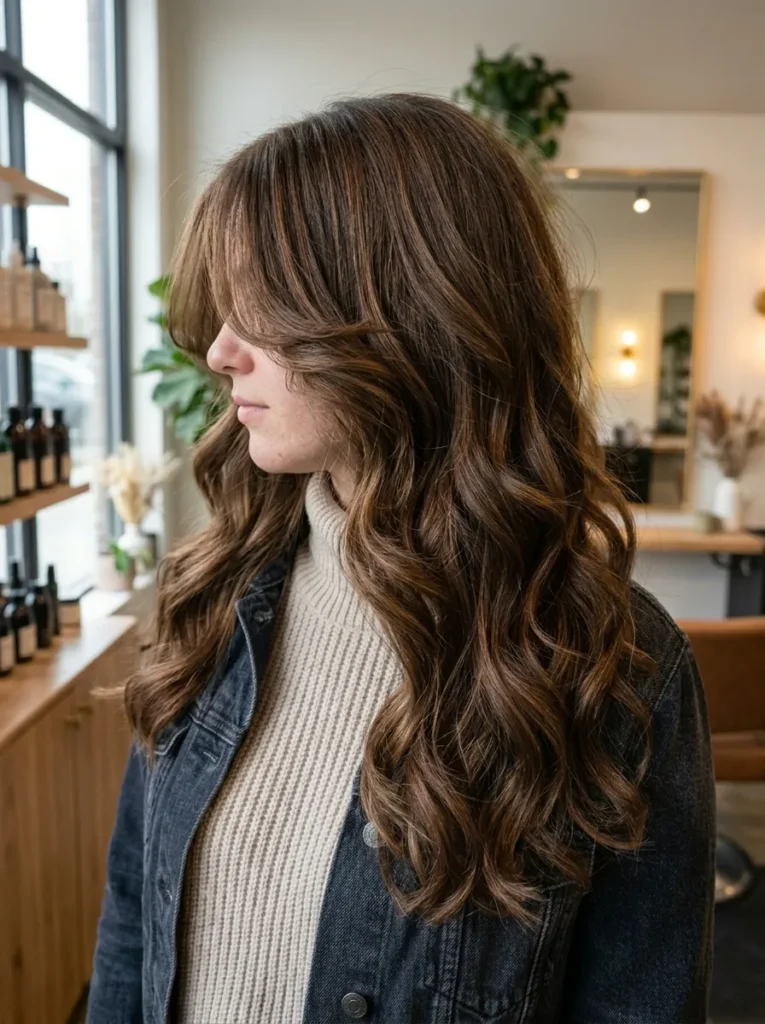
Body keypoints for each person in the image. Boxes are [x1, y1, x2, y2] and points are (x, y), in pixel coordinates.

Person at [87, 93, 715, 1024]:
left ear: (404, 316)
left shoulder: (610, 675)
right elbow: (131, 934)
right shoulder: (214, 603)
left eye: (261, 305)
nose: (220, 351)